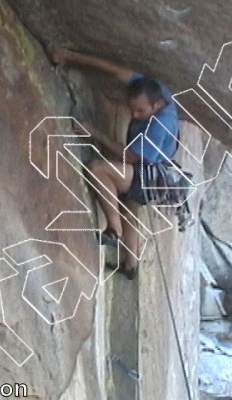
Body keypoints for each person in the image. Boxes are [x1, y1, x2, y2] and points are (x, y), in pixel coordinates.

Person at [49, 48, 179, 279]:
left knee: (98, 169)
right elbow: (117, 71)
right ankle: (130, 266)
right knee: (130, 210)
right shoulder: (152, 89)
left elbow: (130, 157)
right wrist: (71, 56)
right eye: (132, 109)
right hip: (155, 170)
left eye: (140, 111)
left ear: (157, 105)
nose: (135, 115)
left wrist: (95, 134)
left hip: (151, 174)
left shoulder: (160, 125)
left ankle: (113, 229)